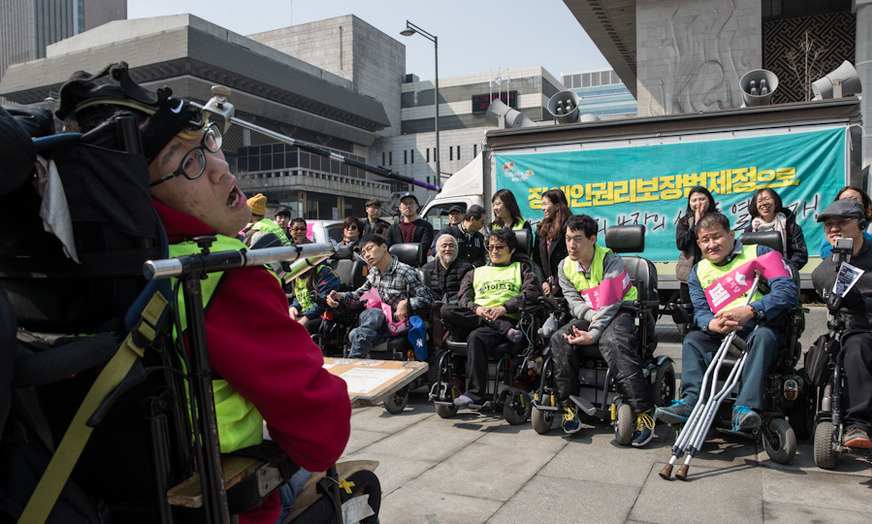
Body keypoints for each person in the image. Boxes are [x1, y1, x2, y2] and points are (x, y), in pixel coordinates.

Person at [61, 77, 351, 522]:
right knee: (345, 485)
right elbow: (322, 435)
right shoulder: (220, 277)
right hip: (224, 508)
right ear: (139, 192)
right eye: (189, 162)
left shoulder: (64, 274)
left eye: (208, 142)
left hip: (89, 505)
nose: (222, 168)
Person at [656, 212, 798, 431]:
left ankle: (744, 409)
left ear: (732, 235)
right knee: (693, 339)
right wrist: (710, 324)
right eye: (705, 240)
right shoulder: (698, 271)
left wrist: (751, 310)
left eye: (717, 237)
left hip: (759, 327)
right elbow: (700, 311)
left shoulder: (760, 253)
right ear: (698, 243)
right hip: (722, 333)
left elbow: (787, 292)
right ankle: (690, 401)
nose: (711, 244)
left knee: (763, 336)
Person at [549, 215, 656, 445]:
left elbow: (611, 302)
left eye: (577, 239)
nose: (571, 245)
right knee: (560, 338)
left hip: (621, 310)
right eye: (568, 239)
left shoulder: (611, 261)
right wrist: (590, 317)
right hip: (590, 313)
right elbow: (572, 300)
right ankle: (569, 408)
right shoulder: (564, 265)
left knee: (612, 342)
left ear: (592, 239)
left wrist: (594, 333)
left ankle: (644, 413)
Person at [441, 228, 541, 406]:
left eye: (499, 247)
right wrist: (477, 309)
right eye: (491, 247)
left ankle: (474, 394)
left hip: (508, 317)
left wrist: (503, 308)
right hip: (479, 318)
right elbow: (463, 299)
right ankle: (500, 326)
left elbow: (531, 293)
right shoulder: (475, 272)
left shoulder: (521, 268)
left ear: (511, 250)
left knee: (476, 337)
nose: (494, 251)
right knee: (446, 310)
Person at [812, 199, 872, 449]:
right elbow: (835, 304)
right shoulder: (825, 270)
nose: (833, 229)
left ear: (861, 225)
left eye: (841, 223)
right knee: (857, 347)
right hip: (857, 329)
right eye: (829, 226)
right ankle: (858, 425)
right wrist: (840, 265)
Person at [326, 234, 433, 358]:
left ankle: (353, 361)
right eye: (364, 252)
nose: (366, 255)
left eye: (370, 248)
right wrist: (340, 296)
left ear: (383, 247)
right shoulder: (373, 274)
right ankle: (355, 360)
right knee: (374, 314)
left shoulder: (405, 272)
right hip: (373, 320)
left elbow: (428, 298)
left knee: (356, 335)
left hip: (393, 327)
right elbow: (359, 297)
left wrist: (406, 303)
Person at [743, 188, 807, 273]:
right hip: (758, 277)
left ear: (776, 201)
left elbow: (800, 254)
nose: (764, 203)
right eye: (760, 201)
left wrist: (785, 266)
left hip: (785, 274)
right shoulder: (749, 231)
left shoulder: (790, 226)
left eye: (767, 199)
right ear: (755, 205)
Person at [675, 186, 717, 304]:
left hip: (712, 270)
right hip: (689, 271)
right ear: (689, 203)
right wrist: (695, 224)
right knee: (686, 307)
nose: (698, 203)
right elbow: (681, 243)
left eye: (702, 199)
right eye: (694, 200)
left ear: (709, 200)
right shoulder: (684, 221)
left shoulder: (718, 219)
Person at [533, 189, 571, 296]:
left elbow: (569, 258)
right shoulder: (541, 228)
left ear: (557, 206)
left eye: (545, 204)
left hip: (566, 286)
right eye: (542, 204)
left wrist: (558, 284)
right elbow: (536, 258)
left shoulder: (569, 227)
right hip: (546, 287)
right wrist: (542, 281)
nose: (543, 208)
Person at [289, 262, 341, 334]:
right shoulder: (299, 272)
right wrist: (294, 307)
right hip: (306, 314)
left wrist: (305, 318)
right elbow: (298, 296)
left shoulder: (324, 272)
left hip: (322, 314)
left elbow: (324, 301)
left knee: (301, 329)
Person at [820, 185, 872, 258]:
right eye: (843, 200)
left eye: (853, 199)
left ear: (864, 202)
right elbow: (824, 253)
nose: (834, 229)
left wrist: (856, 232)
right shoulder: (833, 227)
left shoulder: (869, 224)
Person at [422, 234, 473, 306]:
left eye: (451, 246)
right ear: (438, 249)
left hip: (456, 308)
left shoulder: (466, 268)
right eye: (444, 246)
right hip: (432, 308)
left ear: (456, 249)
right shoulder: (426, 268)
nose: (447, 249)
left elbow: (466, 294)